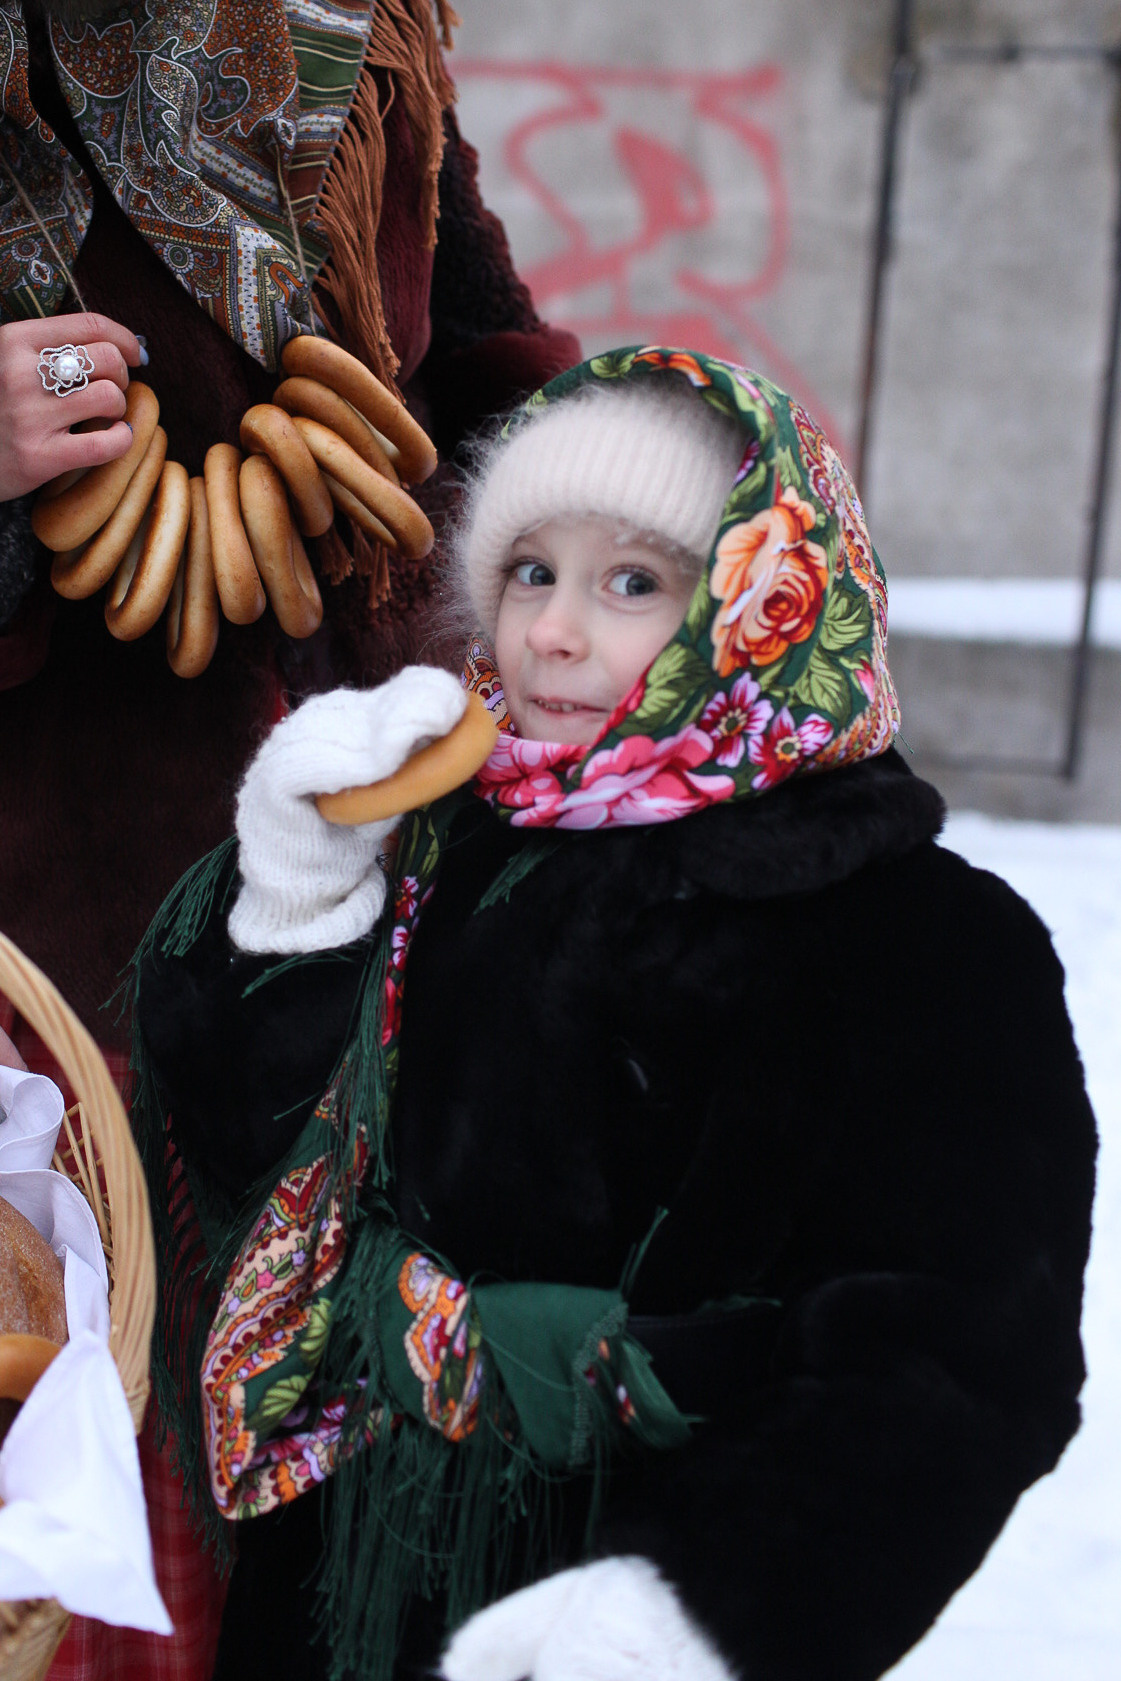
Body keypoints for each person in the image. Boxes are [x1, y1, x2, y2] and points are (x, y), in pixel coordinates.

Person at [134, 347, 1097, 1681]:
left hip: (629, 1578)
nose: (551, 633)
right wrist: (297, 903)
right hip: (351, 1575)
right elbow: (264, 1167)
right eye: (529, 570)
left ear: (766, 596)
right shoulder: (442, 840)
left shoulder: (912, 929)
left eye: (630, 581)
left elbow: (956, 1351)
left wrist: (698, 1606)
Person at [0, 4, 578, 1676]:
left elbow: (467, 348)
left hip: (349, 847)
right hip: (39, 935)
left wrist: (613, 510)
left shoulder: (352, 23)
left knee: (337, 1464)